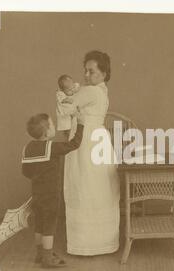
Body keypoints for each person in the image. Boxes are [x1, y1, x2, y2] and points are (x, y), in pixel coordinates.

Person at [57, 50, 120, 255]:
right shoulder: (102, 90)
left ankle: (86, 243)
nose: (86, 75)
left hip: (86, 141)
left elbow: (66, 108)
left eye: (91, 71)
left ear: (103, 73)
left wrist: (62, 96)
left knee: (85, 185)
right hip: (99, 139)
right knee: (98, 187)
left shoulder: (90, 91)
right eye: (85, 71)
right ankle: (103, 241)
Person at [22, 113, 84, 267]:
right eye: (52, 125)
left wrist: (38, 176)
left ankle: (40, 254)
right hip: (51, 194)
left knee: (39, 223)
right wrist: (81, 125)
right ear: (46, 132)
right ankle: (48, 259)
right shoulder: (52, 147)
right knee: (49, 225)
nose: (54, 127)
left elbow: (26, 172)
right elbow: (74, 144)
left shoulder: (27, 148)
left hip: (36, 193)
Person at [56, 74, 81, 140]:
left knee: (75, 132)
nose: (72, 91)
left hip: (72, 118)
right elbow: (64, 100)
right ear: (62, 90)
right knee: (69, 135)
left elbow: (77, 86)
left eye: (72, 88)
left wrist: (73, 88)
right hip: (65, 120)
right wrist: (69, 100)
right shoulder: (60, 94)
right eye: (69, 90)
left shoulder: (72, 88)